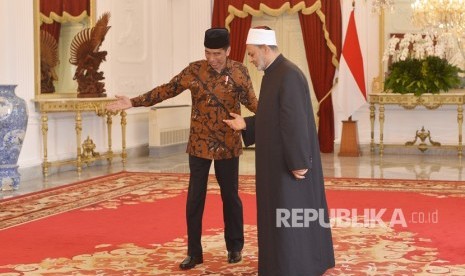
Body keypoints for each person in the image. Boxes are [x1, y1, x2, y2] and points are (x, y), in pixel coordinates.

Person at [106, 28, 258, 270]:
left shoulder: (240, 72)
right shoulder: (194, 70)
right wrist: (133, 102)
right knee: (194, 198)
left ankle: (234, 247)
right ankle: (194, 253)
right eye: (208, 53)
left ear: (228, 51)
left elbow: (255, 104)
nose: (212, 58)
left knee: (230, 197)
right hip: (198, 144)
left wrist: (274, 118)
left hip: (228, 145)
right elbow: (167, 90)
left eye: (217, 53)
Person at [223, 27, 335, 275]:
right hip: (276, 164)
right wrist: (247, 124)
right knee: (282, 216)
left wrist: (297, 162)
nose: (250, 60)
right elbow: (273, 116)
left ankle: (296, 265)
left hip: (289, 166)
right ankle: (281, 264)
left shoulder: (288, 75)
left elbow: (294, 122)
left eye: (252, 54)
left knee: (291, 215)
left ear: (265, 49)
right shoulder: (274, 74)